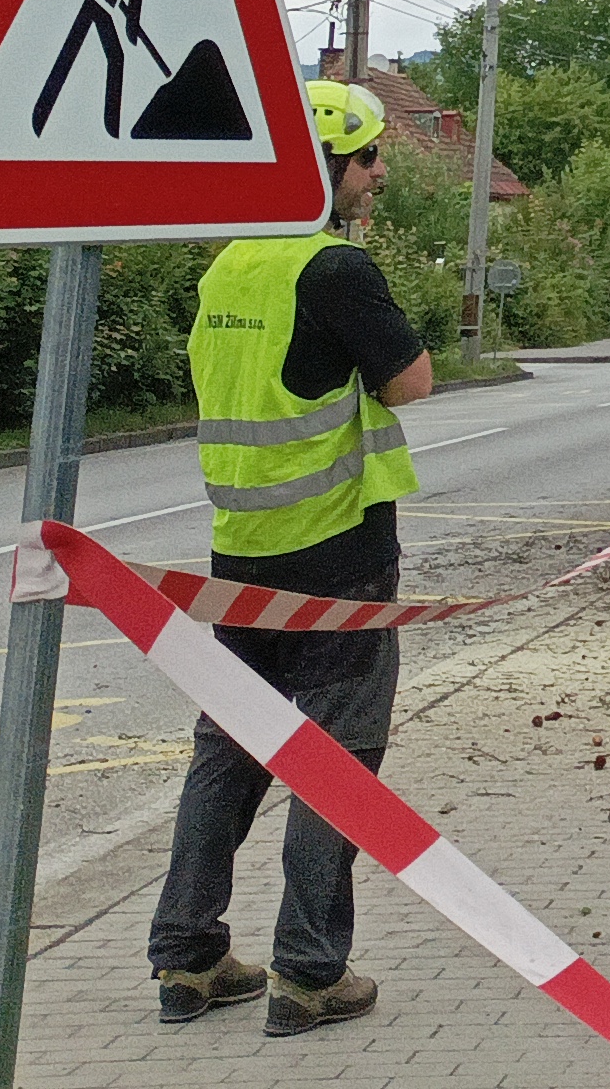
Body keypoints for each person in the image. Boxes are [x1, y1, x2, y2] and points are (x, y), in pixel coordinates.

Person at [146, 80, 435, 1036]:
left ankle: (187, 960)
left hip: (241, 550)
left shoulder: (227, 266)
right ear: (331, 170)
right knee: (337, 760)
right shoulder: (335, 269)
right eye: (367, 159)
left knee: (226, 751)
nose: (379, 173)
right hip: (341, 553)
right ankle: (310, 974)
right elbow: (414, 380)